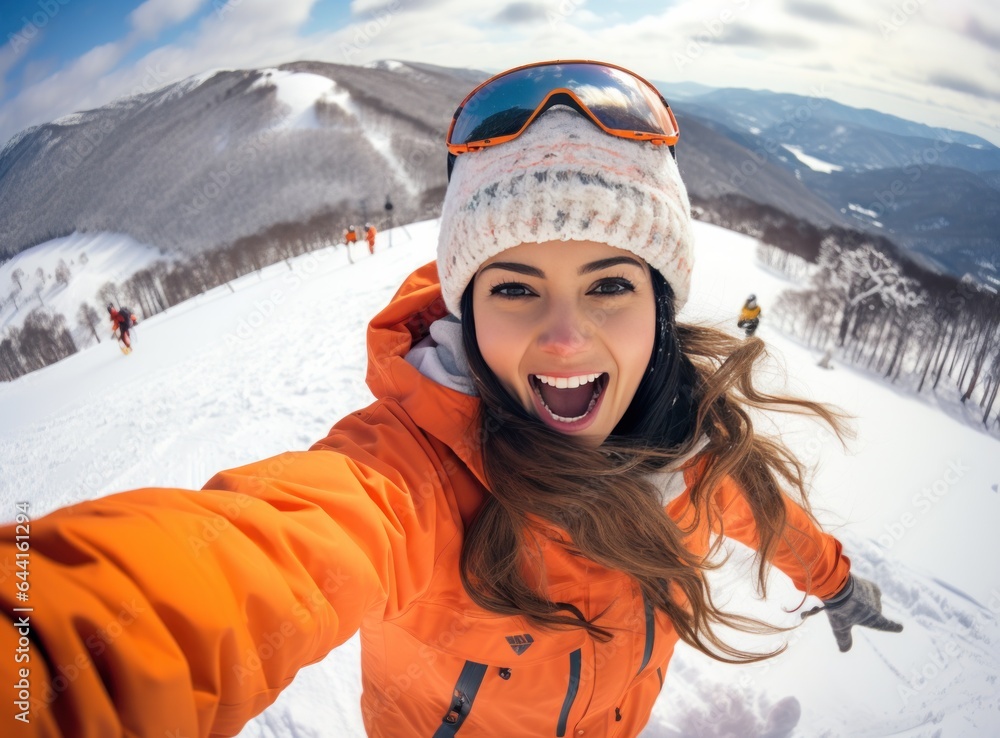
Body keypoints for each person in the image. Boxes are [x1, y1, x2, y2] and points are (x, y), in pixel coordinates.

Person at [0, 61, 901, 737]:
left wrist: (837, 582)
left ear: (660, 308)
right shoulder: (412, 478)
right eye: (513, 288)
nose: (563, 337)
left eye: (610, 286)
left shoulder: (691, 458)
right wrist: (42, 662)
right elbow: (234, 565)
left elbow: (768, 516)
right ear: (466, 313)